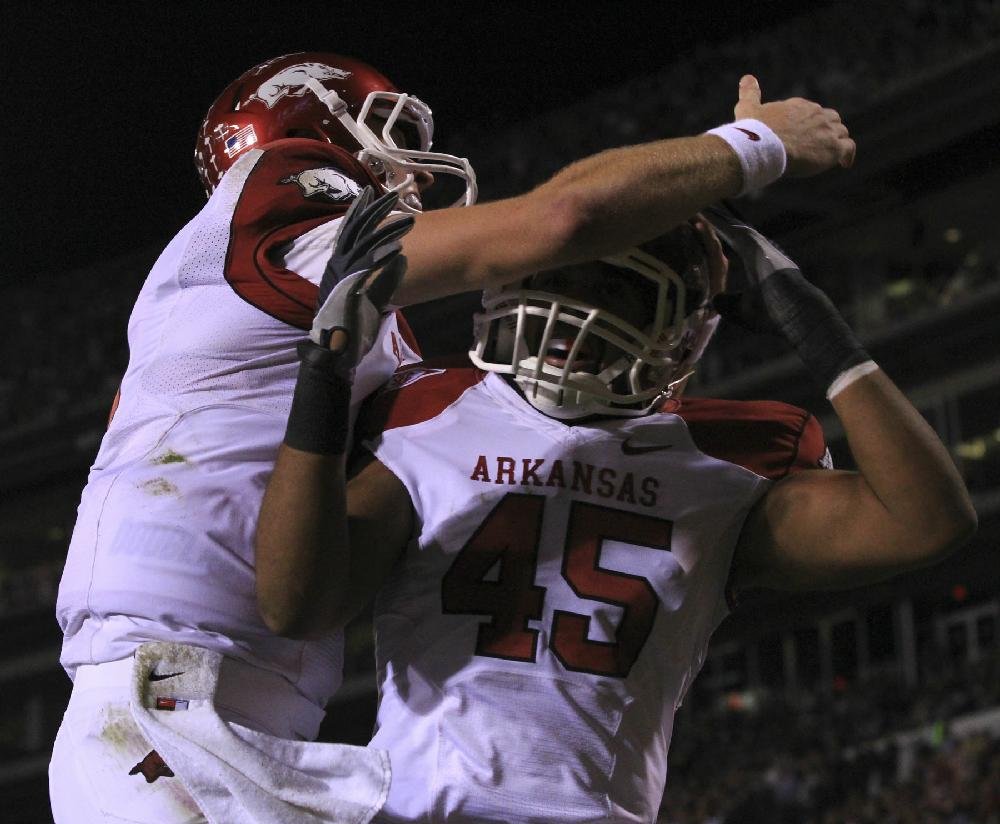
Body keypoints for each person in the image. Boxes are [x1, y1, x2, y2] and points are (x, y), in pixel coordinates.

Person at [51, 45, 855, 822]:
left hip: (246, 716)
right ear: (303, 132)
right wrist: (753, 147)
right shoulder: (270, 198)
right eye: (390, 136)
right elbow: (563, 220)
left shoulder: (365, 323)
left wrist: (683, 219)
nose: (407, 171)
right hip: (160, 707)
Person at [254, 201, 976, 822]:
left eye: (613, 288)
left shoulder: (726, 463)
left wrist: (819, 332)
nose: (573, 304)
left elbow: (926, 521)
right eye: (557, 275)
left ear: (684, 326)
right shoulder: (432, 413)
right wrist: (323, 370)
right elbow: (297, 605)